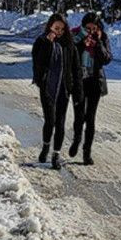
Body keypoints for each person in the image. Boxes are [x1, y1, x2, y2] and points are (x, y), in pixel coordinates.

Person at [32, 14, 82, 170]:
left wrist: (77, 89)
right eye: (56, 28)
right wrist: (48, 43)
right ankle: (46, 146)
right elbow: (38, 63)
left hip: (64, 88)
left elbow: (76, 68)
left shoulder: (69, 44)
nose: (59, 32)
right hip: (48, 88)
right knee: (50, 120)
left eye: (61, 29)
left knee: (60, 122)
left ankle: (56, 154)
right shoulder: (41, 41)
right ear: (50, 27)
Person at [69, 12, 112, 165]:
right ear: (83, 26)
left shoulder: (102, 37)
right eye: (88, 28)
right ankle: (76, 140)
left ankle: (87, 152)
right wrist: (82, 43)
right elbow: (69, 54)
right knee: (79, 116)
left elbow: (107, 59)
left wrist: (97, 43)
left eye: (94, 28)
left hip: (95, 81)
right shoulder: (74, 35)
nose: (91, 31)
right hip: (78, 82)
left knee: (90, 118)